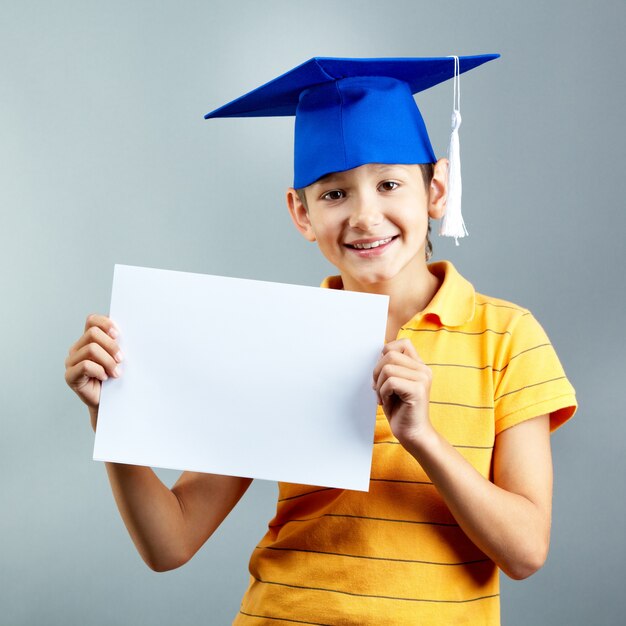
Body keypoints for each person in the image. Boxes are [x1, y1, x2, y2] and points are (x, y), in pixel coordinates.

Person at [65, 56, 577, 625]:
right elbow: (171, 543)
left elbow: (526, 552)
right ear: (300, 212)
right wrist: (112, 418)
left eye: (389, 184)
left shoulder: (506, 337)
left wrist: (424, 439)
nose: (365, 215)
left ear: (436, 190)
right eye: (334, 194)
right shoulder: (280, 338)